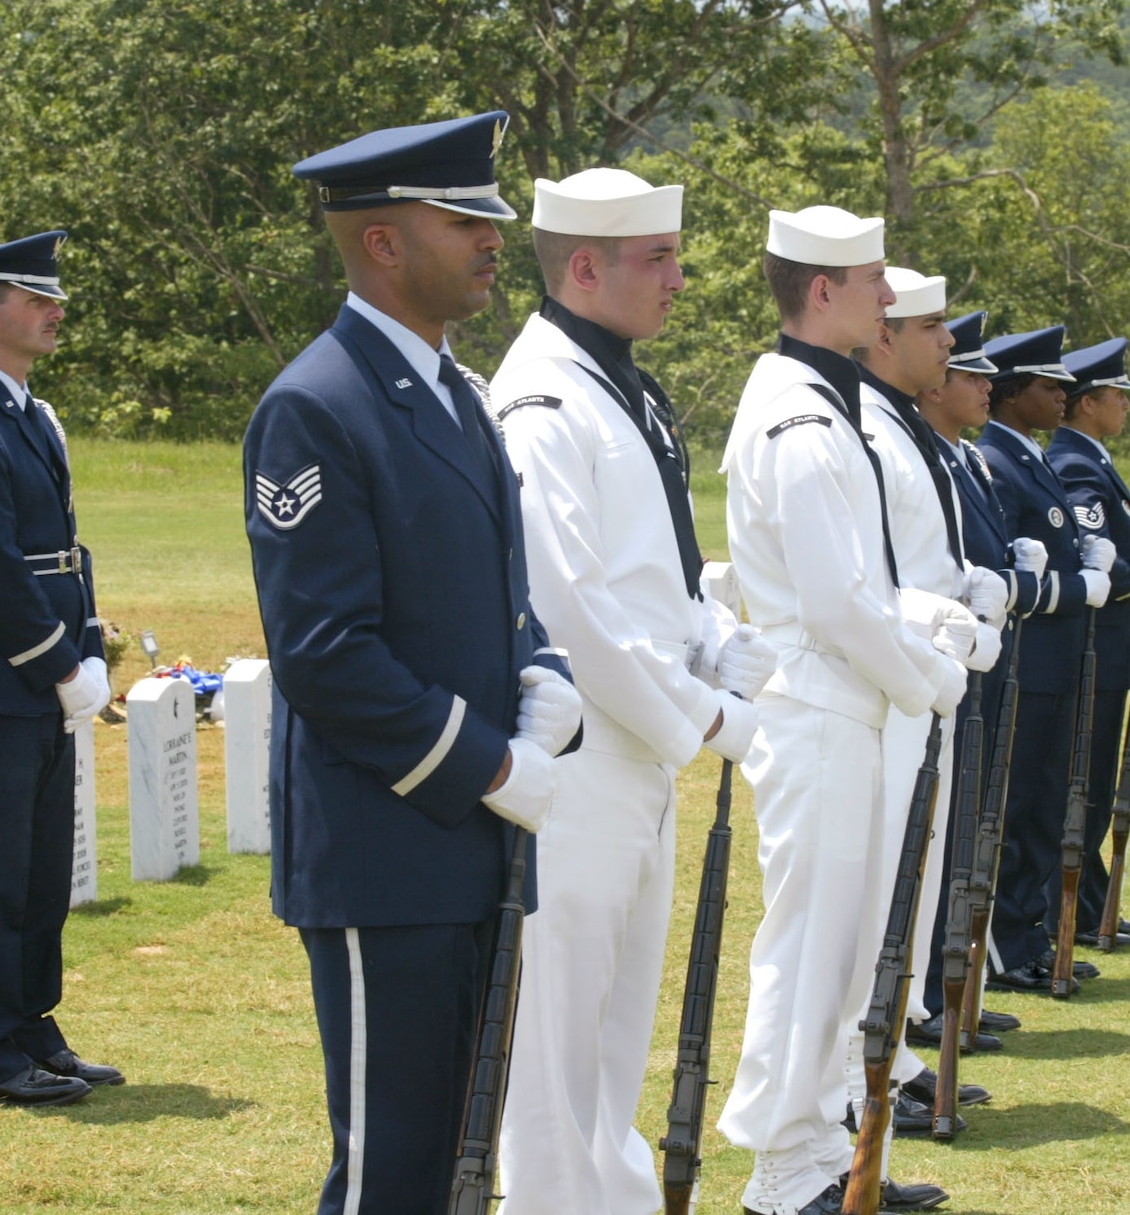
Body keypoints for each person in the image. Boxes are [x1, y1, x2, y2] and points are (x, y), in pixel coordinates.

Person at [243, 111, 584, 1214]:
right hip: (383, 852)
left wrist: (542, 679)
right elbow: (323, 654)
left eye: (490, 218)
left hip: (468, 847)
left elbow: (491, 593)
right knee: (390, 1171)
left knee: (455, 1162)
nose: (491, 240)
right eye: (462, 220)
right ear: (382, 242)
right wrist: (489, 764)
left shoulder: (456, 393)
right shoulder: (316, 405)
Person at [488, 167, 777, 1214]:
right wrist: (700, 713)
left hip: (636, 754)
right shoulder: (542, 402)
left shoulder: (619, 385)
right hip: (582, 763)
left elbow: (651, 565)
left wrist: (712, 642)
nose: (680, 279)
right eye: (657, 258)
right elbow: (567, 602)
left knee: (614, 1041)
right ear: (581, 267)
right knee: (556, 1056)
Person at [716, 206, 970, 1215]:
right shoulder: (800, 421)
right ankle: (781, 1173)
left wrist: (922, 635)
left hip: (840, 705)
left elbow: (859, 588)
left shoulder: (820, 406)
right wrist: (928, 676)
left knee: (846, 947)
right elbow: (833, 604)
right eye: (870, 281)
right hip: (816, 707)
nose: (887, 297)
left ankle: (822, 1153)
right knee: (812, 945)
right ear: (821, 293)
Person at [0, 230, 117, 1107]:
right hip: (3, 683)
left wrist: (91, 642)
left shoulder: (31, 414)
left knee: (42, 877)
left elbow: (60, 552)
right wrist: (56, 664)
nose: (56, 310)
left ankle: (33, 1029)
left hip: (44, 679)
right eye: (37, 300)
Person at [852, 271, 1006, 1152]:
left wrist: (971, 590)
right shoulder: (872, 429)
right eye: (934, 327)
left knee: (920, 867)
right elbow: (874, 577)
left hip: (933, 670)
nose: (950, 345)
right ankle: (865, 1065)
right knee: (883, 882)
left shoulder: (904, 427)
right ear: (886, 336)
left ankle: (894, 1046)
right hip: (898, 675)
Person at [910, 311, 1045, 1039]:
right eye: (972, 375)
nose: (988, 386)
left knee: (970, 834)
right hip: (946, 660)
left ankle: (951, 986)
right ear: (936, 388)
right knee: (946, 833)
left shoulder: (965, 459)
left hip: (983, 661)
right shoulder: (928, 456)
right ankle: (931, 996)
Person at [974, 326, 1113, 993]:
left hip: (1055, 667)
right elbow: (999, 574)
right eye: (1049, 386)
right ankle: (1004, 944)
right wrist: (1066, 587)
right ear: (1010, 393)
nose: (1063, 397)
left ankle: (1027, 936)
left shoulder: (1025, 458)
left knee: (1044, 804)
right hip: (1026, 665)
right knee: (1020, 807)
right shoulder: (998, 464)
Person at [1046, 338, 1130, 949]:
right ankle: (1074, 903)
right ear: (1087, 402)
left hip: (1110, 647)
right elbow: (1096, 559)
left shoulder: (1090, 455)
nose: (1126, 406)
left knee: (1096, 782)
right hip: (1093, 646)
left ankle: (1092, 900)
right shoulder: (1075, 464)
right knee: (1086, 780)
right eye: (1118, 396)